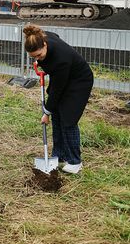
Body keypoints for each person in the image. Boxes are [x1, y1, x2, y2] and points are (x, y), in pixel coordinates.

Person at [24, 24, 93, 174]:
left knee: (68, 119)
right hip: (63, 78)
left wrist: (46, 112)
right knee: (57, 117)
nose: (37, 59)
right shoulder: (42, 36)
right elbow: (55, 35)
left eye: (39, 55)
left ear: (45, 45)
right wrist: (40, 61)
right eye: (33, 57)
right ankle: (59, 155)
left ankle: (75, 162)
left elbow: (57, 90)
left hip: (79, 81)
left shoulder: (61, 60)